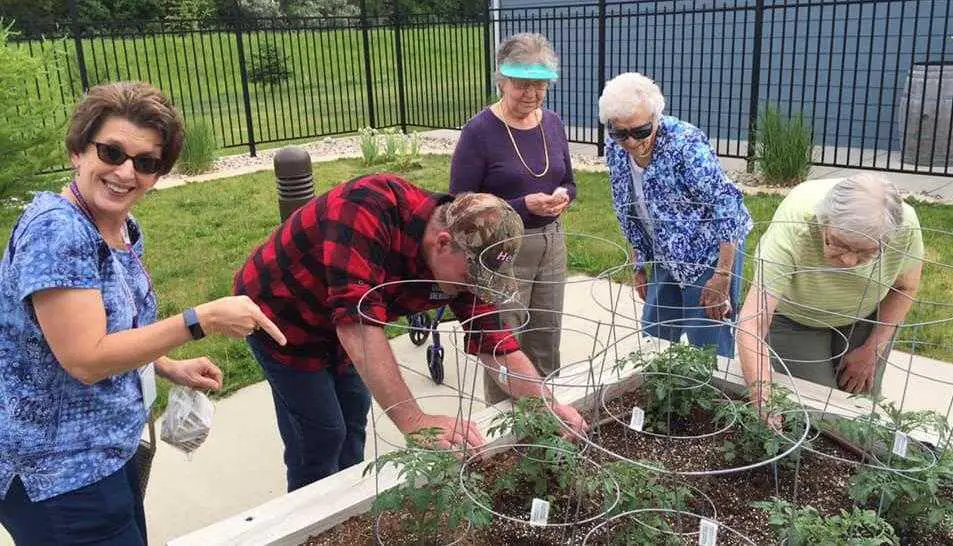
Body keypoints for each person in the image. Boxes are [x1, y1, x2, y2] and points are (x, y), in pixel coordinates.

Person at [0, 81, 286, 545]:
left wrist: (168, 366)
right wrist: (200, 321)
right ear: (78, 150)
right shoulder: (58, 233)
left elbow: (110, 329)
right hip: (57, 474)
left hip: (106, 455)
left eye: (146, 163)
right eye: (111, 152)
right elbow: (86, 359)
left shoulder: (120, 227)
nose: (126, 172)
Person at [233, 174, 587, 492]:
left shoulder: (466, 251)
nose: (473, 287)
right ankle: (308, 517)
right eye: (470, 278)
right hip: (281, 316)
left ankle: (341, 501)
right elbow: (357, 327)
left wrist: (544, 405)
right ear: (444, 243)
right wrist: (416, 422)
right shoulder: (366, 207)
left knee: (353, 413)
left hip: (340, 318)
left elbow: (495, 344)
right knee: (322, 433)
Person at [451, 32, 575, 404]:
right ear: (501, 80)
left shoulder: (552, 123)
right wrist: (522, 206)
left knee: (546, 333)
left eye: (540, 86)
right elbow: (461, 204)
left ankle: (545, 412)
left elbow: (569, 179)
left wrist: (564, 196)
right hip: (501, 252)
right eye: (522, 85)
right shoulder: (479, 132)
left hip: (551, 243)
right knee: (504, 337)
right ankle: (504, 421)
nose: (531, 95)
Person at [598, 72, 752, 357]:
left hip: (708, 254)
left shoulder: (685, 145)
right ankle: (663, 395)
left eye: (640, 131)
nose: (630, 141)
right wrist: (639, 266)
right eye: (620, 132)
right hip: (663, 251)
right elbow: (628, 207)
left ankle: (713, 398)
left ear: (656, 117)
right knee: (654, 334)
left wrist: (721, 275)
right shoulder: (614, 147)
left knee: (707, 342)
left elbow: (726, 204)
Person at [736, 174, 923, 404]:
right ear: (824, 221)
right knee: (816, 406)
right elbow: (752, 322)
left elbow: (905, 287)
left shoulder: (904, 226)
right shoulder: (796, 221)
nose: (849, 260)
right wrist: (762, 398)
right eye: (840, 244)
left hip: (865, 316)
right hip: (796, 319)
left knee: (861, 405)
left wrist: (872, 350)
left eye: (866, 252)